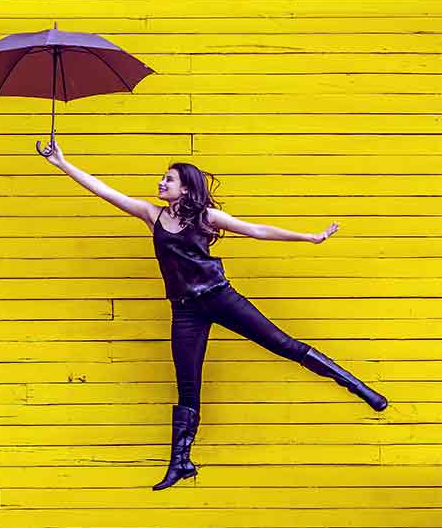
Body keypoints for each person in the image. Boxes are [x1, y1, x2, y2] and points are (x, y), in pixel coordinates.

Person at [38, 139, 388, 491]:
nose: (161, 183)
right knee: (187, 386)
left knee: (283, 344)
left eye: (168, 179)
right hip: (185, 310)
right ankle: (181, 462)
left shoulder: (206, 217)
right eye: (163, 179)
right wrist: (62, 164)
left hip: (220, 297)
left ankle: (359, 388)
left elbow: (256, 230)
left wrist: (309, 237)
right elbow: (105, 192)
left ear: (186, 188)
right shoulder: (152, 215)